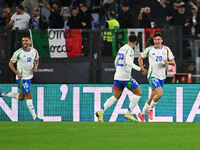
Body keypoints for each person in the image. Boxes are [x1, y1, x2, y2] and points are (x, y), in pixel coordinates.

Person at [96, 34, 147, 122]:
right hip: (125, 77)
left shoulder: (122, 48)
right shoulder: (130, 50)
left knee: (115, 96)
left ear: (128, 40)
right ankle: (128, 113)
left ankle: (101, 111)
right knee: (138, 93)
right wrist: (140, 69)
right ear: (135, 42)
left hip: (117, 76)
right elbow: (128, 62)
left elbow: (116, 61)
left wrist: (118, 70)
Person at [0, 34, 43, 121]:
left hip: (29, 77)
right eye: (23, 41)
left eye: (26, 41)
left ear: (30, 42)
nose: (24, 42)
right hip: (22, 78)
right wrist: (17, 73)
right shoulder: (18, 53)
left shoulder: (34, 51)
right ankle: (35, 117)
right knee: (29, 95)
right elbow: (10, 64)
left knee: (21, 97)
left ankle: (3, 94)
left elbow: (37, 60)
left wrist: (36, 67)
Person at [137, 32, 176, 122]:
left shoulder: (166, 49)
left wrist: (167, 62)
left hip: (162, 76)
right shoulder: (149, 49)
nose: (157, 41)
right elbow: (140, 58)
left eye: (158, 39)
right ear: (153, 41)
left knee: (152, 97)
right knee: (160, 93)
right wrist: (142, 68)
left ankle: (142, 114)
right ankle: (150, 110)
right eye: (155, 39)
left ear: (161, 40)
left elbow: (173, 62)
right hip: (152, 75)